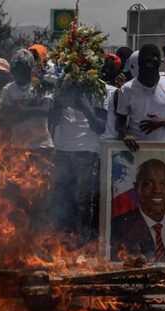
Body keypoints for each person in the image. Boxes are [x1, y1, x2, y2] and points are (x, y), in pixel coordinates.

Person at [49, 58, 109, 240]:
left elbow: (100, 126)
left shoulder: (100, 89)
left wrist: (84, 106)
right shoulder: (62, 87)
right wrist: (59, 104)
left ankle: (83, 240)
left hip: (87, 150)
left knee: (83, 199)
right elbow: (52, 121)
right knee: (59, 197)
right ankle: (59, 241)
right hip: (62, 149)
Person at [110, 158, 165, 263]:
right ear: (136, 188)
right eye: (149, 184)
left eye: (163, 184)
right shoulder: (120, 227)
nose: (157, 190)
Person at [116, 44, 165, 150]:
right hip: (136, 149)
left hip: (163, 148)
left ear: (160, 61)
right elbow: (120, 121)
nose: (149, 59)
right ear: (138, 62)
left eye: (154, 56)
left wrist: (161, 122)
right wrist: (125, 135)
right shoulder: (126, 89)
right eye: (145, 55)